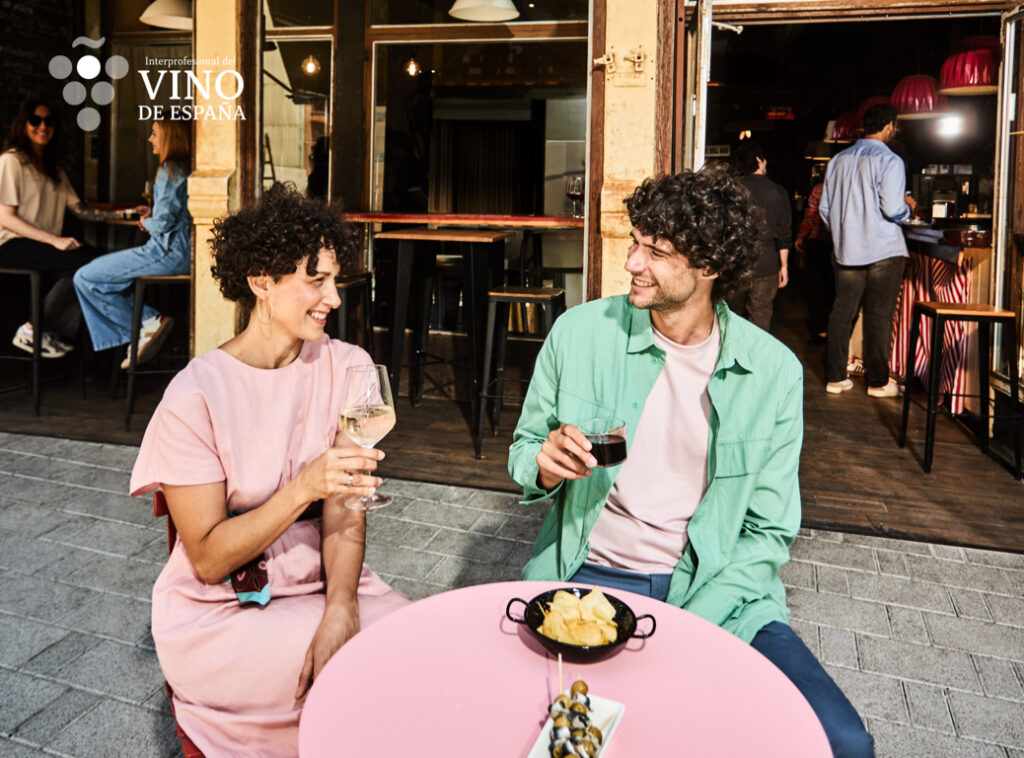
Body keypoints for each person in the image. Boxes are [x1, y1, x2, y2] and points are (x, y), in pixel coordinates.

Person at [508, 166, 874, 758]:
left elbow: (768, 530)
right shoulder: (580, 333)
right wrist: (546, 466)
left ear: (707, 268)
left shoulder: (772, 373)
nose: (631, 262)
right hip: (591, 574)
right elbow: (525, 452)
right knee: (561, 744)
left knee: (840, 742)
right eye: (636, 243)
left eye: (656, 252)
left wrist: (690, 621)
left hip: (719, 589)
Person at [129, 183, 408, 757]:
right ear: (262, 281)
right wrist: (304, 485)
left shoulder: (351, 368)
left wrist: (342, 607)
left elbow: (347, 509)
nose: (333, 296)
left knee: (414, 649)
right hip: (223, 606)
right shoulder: (196, 394)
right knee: (352, 683)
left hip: (327, 579)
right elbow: (207, 557)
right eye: (316, 279)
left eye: (335, 279)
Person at [0, 100, 124, 357]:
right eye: (35, 120)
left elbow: (80, 210)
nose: (43, 126)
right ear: (23, 125)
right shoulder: (11, 162)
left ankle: (41, 328)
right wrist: (54, 240)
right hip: (10, 245)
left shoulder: (54, 169)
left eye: (49, 121)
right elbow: (5, 218)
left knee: (99, 262)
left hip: (42, 246)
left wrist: (125, 213)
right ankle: (37, 329)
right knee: (85, 262)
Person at [73, 118, 191, 369]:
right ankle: (144, 330)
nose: (150, 139)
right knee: (101, 281)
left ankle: (147, 323)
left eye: (155, 134)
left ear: (170, 137)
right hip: (178, 252)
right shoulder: (184, 168)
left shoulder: (169, 170)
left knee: (86, 277)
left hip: (166, 252)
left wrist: (146, 222)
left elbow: (162, 224)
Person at [820, 103, 915, 397]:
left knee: (841, 312)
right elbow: (892, 207)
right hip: (884, 249)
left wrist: (845, 233)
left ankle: (835, 378)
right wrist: (908, 211)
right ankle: (877, 383)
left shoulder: (837, 160)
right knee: (878, 315)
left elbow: (825, 210)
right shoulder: (891, 161)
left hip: (846, 250)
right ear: (889, 126)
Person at [727, 141, 792, 332]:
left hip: (736, 261)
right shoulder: (779, 192)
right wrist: (784, 266)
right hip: (767, 262)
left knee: (732, 316)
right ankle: (757, 359)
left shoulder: (732, 190)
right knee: (761, 315)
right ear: (759, 160)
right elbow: (783, 234)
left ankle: (733, 357)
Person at [794, 162, 834, 344]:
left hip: (817, 243)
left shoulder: (818, 190)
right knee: (833, 289)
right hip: (837, 244)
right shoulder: (845, 189)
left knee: (816, 289)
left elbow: (809, 217)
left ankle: (820, 331)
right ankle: (835, 330)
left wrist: (801, 236)